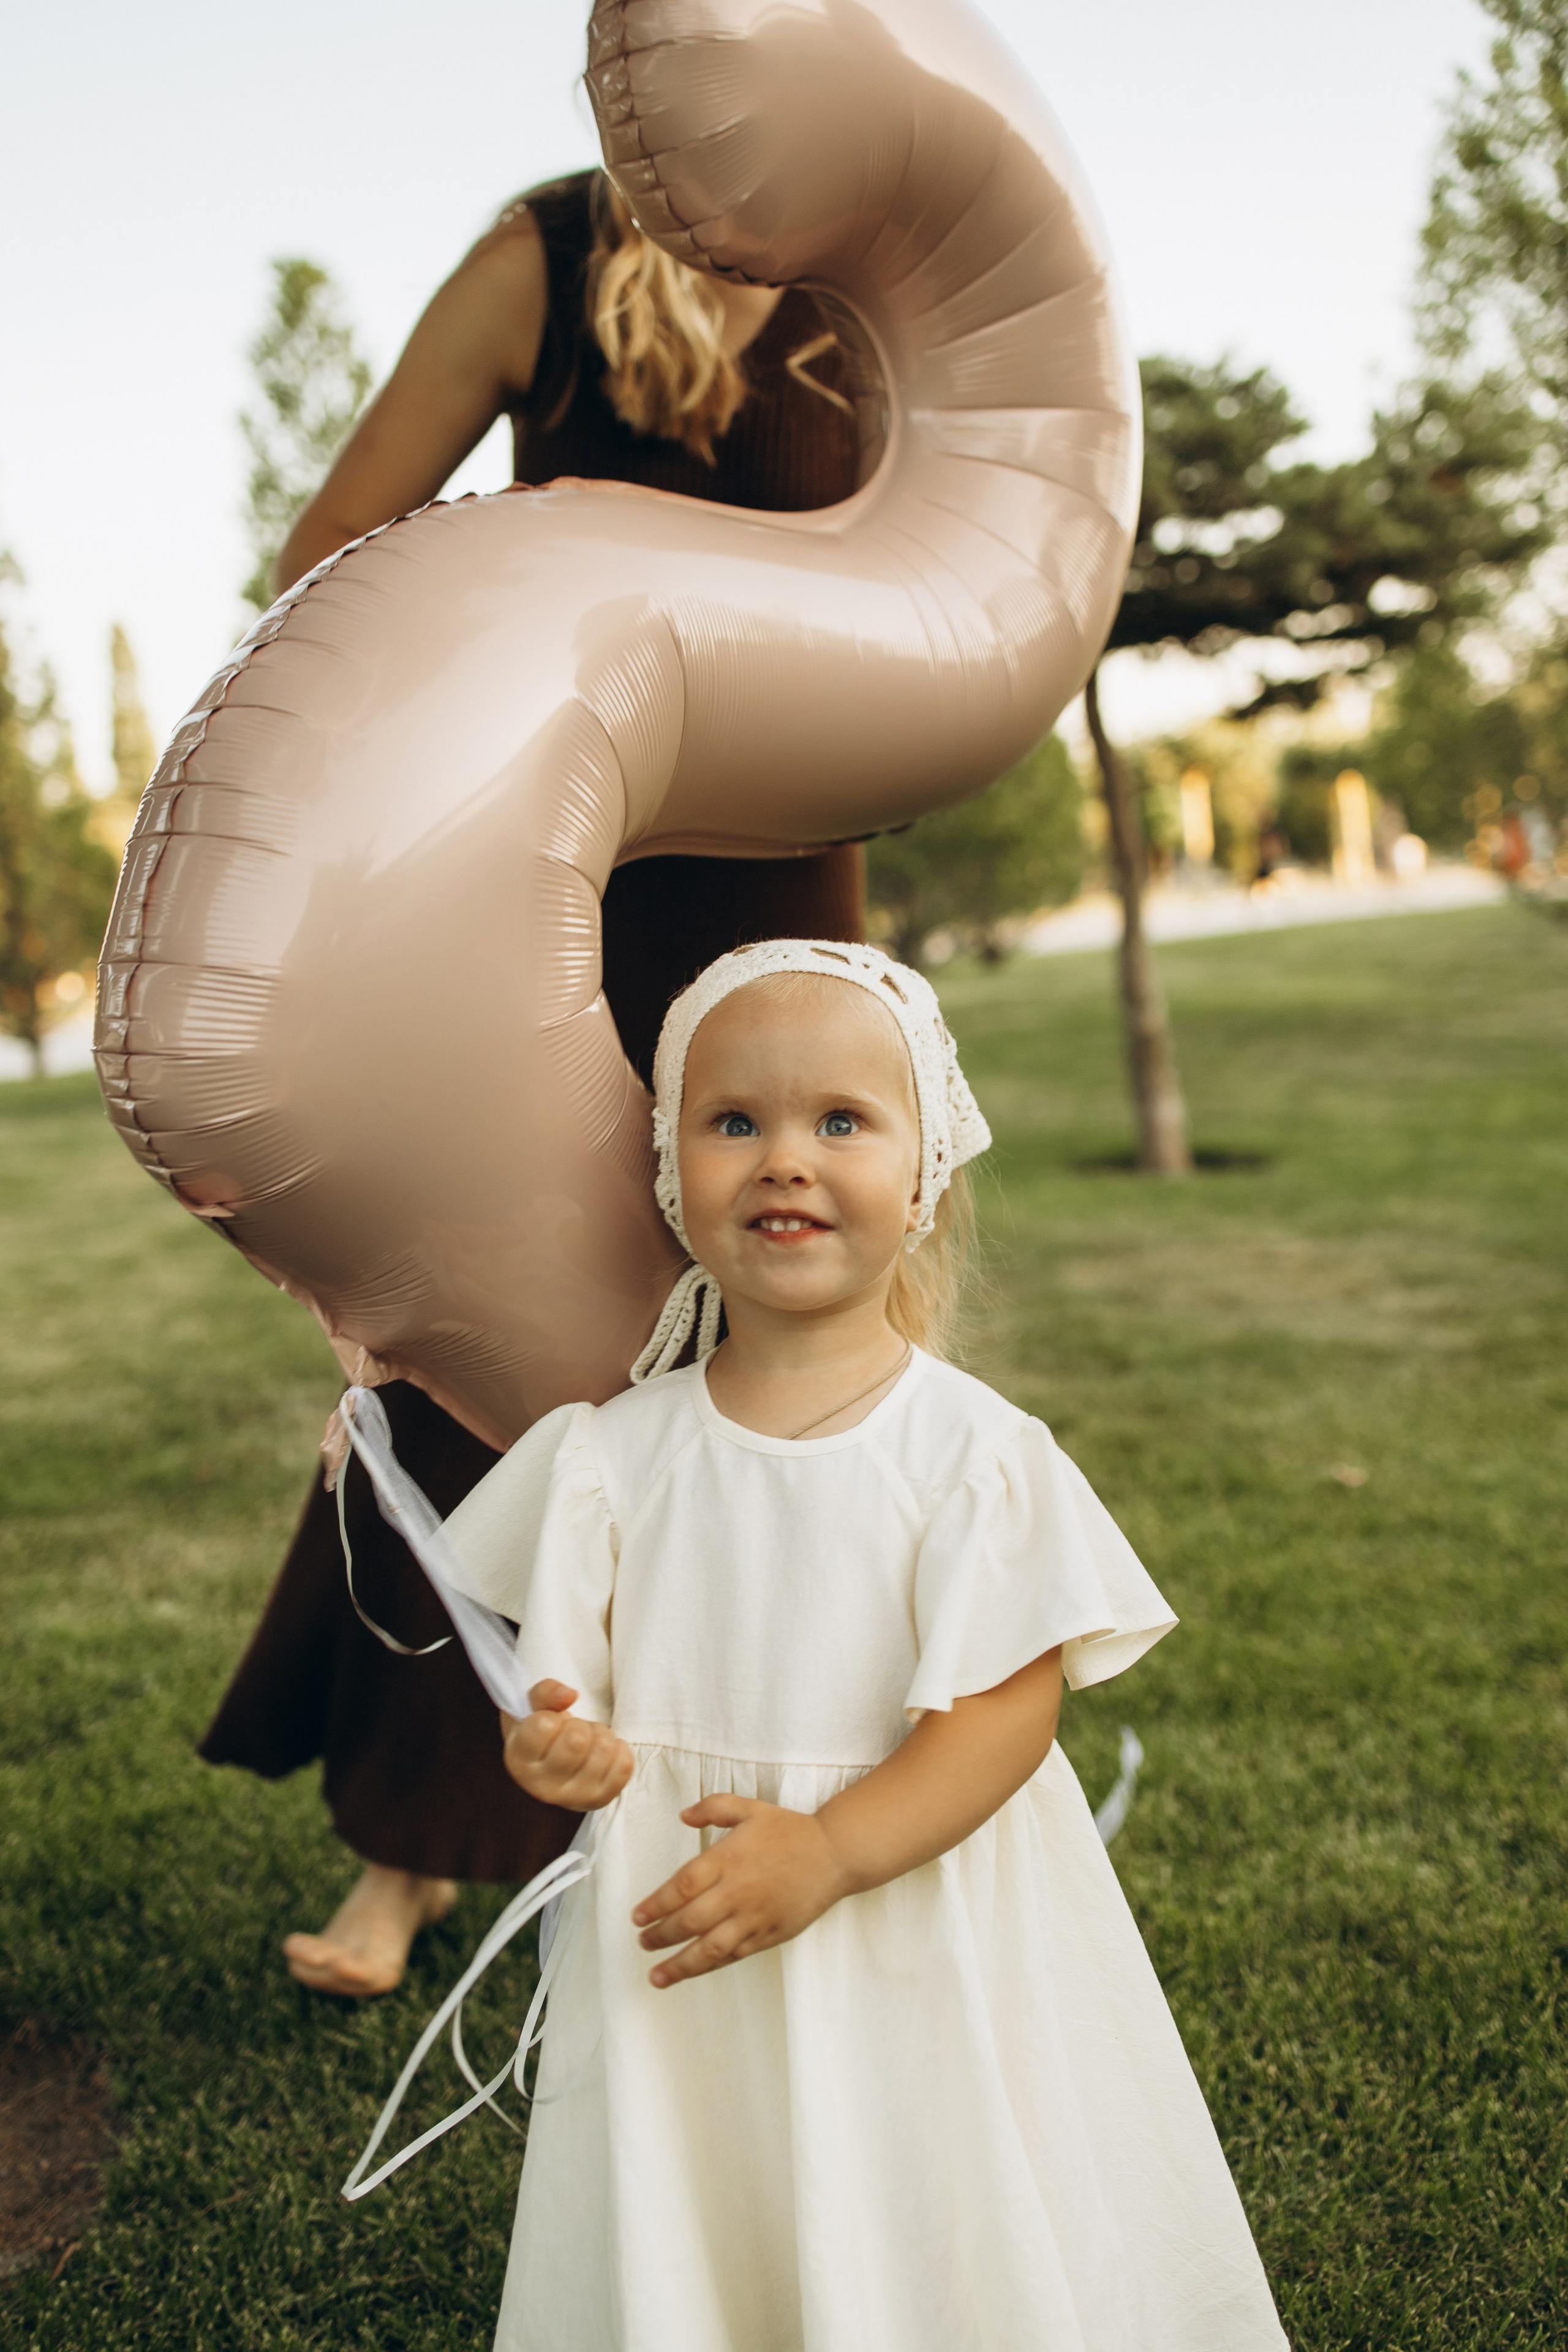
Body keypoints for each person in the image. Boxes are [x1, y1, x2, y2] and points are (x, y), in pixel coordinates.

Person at [198, 165, 878, 1996]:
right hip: (555, 874)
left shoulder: (880, 263)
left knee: (784, 1322)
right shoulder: (546, 259)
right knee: (475, 1349)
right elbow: (328, 557)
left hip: (784, 878)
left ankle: (789, 1795)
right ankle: (409, 1857)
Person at [431, 938, 1287, 2349]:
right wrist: (555, 1744)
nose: (783, 1159)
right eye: (734, 1123)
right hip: (689, 1929)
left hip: (910, 1916)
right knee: (719, 2195)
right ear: (670, 1170)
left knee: (926, 2194)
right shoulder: (609, 1456)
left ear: (920, 1176)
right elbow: (557, 1684)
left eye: (838, 1121)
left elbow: (1004, 1720)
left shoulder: (971, 1458)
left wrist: (830, 1852)